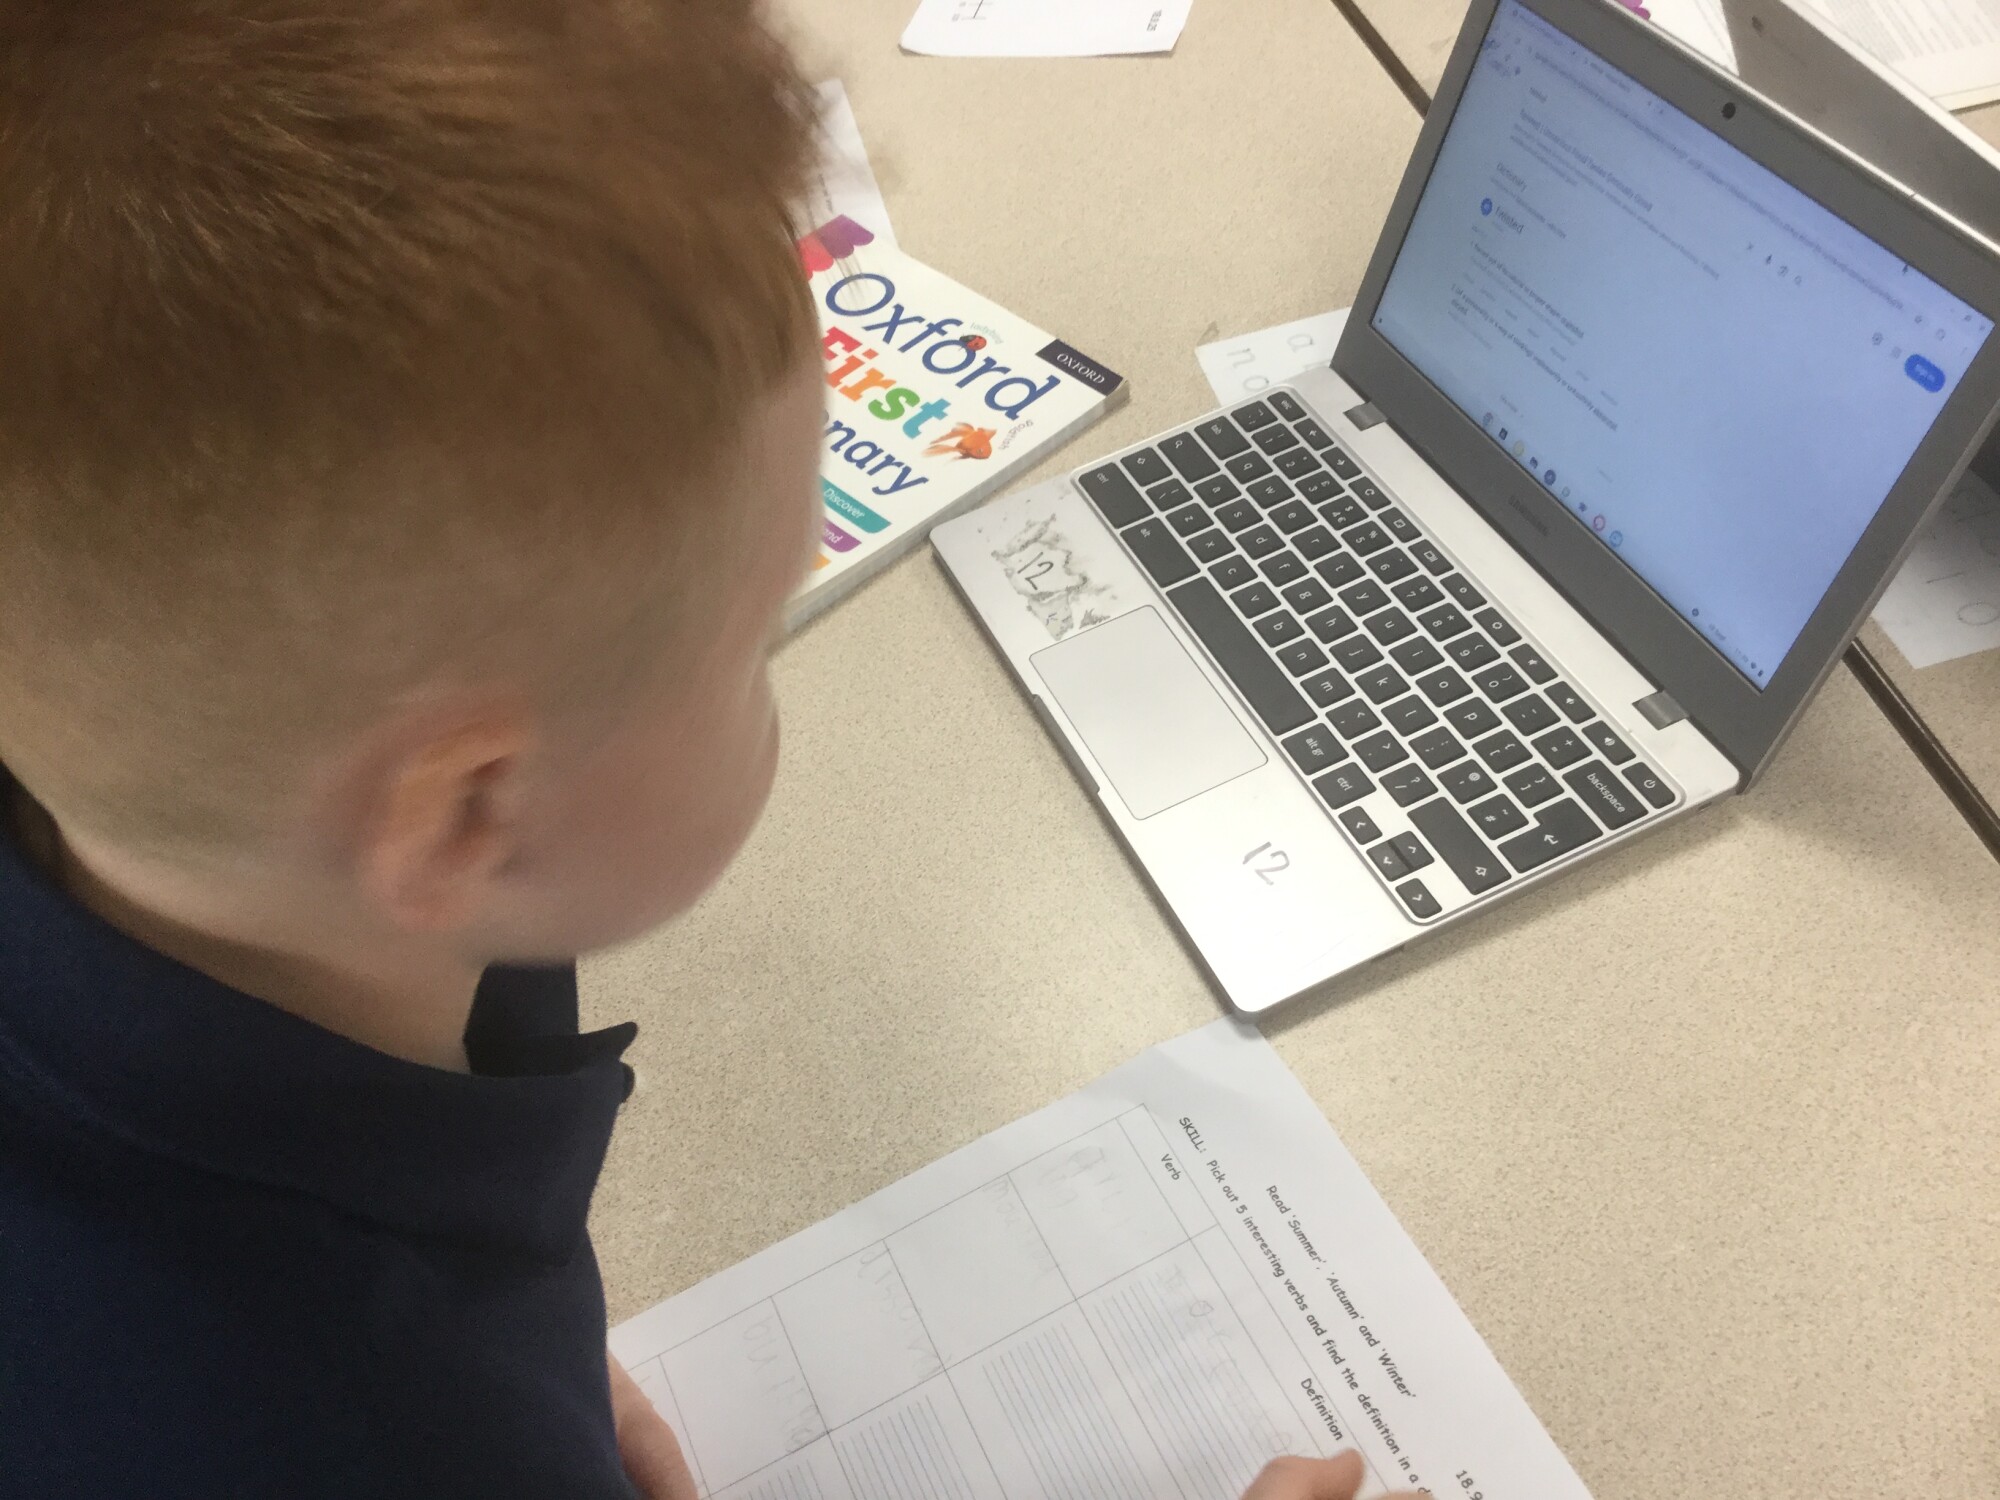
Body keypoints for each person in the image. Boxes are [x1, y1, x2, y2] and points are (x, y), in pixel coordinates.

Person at [0, 2, 1414, 1496]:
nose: (775, 666)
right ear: (472, 816)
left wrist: (529, 1354)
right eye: (756, 645)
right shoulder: (363, 1425)